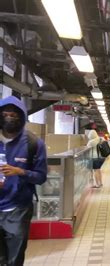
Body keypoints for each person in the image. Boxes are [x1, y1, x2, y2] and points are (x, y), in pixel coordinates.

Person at [0, 96, 47, 265]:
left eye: (15, 114)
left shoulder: (34, 143)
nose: (10, 116)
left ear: (22, 117)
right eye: (6, 113)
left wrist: (20, 171)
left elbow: (41, 177)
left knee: (14, 260)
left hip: (18, 209)